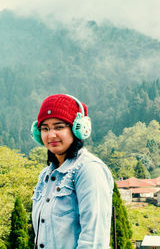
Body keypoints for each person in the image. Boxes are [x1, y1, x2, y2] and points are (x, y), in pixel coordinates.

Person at [31, 94, 114, 249]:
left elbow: (93, 242)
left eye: (59, 127)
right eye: (45, 128)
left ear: (79, 129)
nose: (51, 135)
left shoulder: (89, 170)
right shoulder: (45, 175)